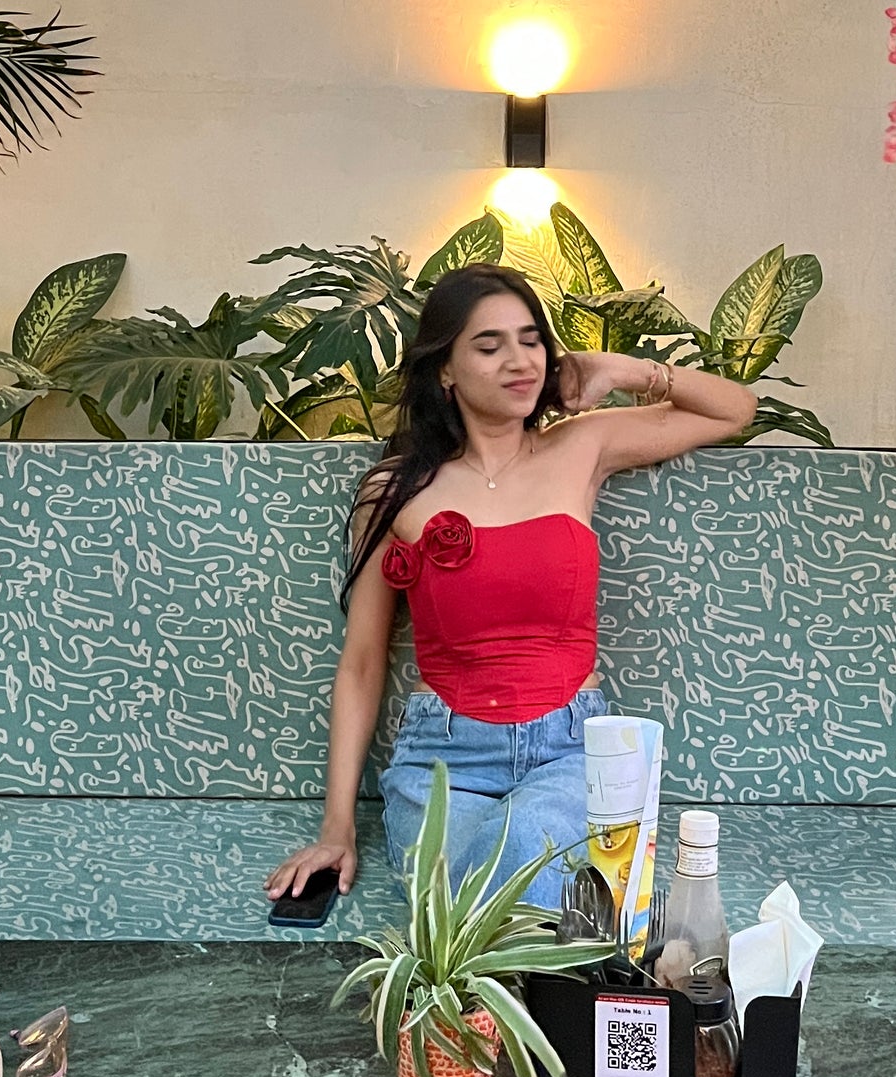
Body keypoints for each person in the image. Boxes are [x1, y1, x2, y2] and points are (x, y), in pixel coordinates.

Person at [265, 261, 757, 912]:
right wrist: (337, 828)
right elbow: (361, 662)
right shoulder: (394, 490)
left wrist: (621, 369)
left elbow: (736, 408)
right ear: (445, 369)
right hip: (443, 761)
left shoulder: (583, 446)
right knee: (466, 898)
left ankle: (504, 961)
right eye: (489, 345)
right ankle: (556, 946)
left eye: (530, 339)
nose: (519, 360)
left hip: (571, 751)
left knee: (517, 852)